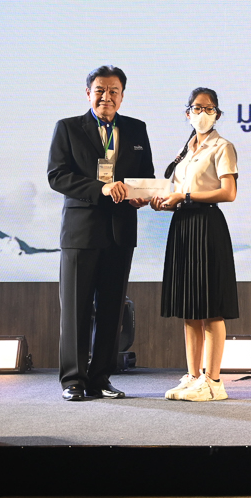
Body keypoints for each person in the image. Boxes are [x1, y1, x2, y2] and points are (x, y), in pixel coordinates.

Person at [46, 65, 154, 401]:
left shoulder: (136, 129)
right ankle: (73, 380)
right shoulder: (68, 128)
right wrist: (100, 188)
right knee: (76, 311)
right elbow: (57, 176)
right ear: (88, 93)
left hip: (121, 232)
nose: (106, 97)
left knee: (111, 311)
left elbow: (146, 175)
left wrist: (142, 195)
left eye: (113, 91)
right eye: (100, 90)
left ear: (122, 95)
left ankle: (100, 378)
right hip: (81, 232)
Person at [151, 87, 240, 402]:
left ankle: (214, 381)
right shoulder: (186, 149)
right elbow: (176, 190)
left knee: (211, 307)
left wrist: (184, 196)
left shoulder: (223, 146)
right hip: (183, 225)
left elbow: (229, 192)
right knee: (191, 308)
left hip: (207, 224)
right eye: (197, 108)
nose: (203, 113)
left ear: (217, 113)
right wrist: (164, 202)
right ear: (187, 113)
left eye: (209, 108)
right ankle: (193, 376)